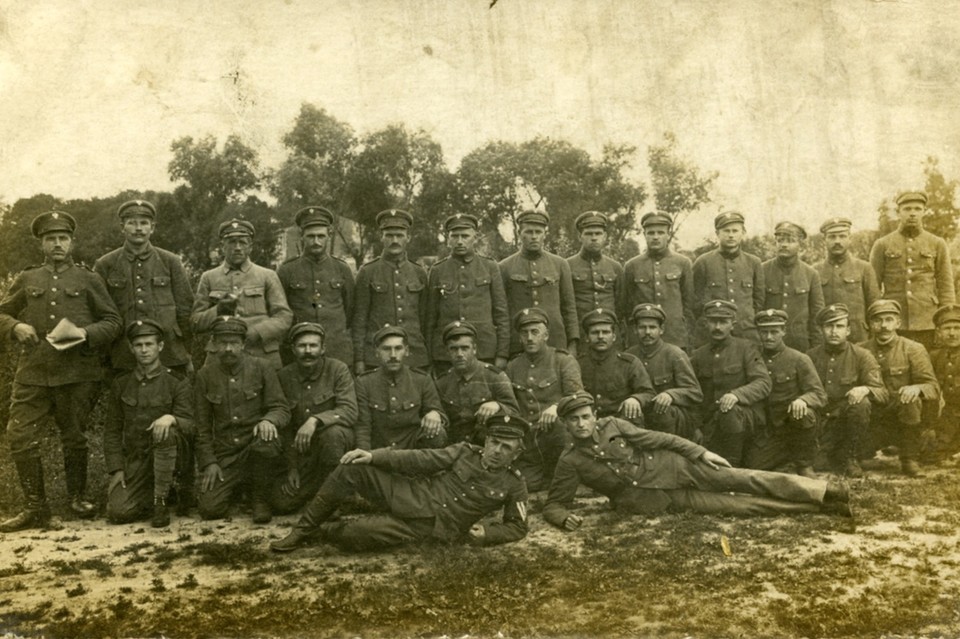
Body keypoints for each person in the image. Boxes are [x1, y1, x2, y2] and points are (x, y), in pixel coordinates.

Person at [542, 392, 852, 531]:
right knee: (740, 507)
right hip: (658, 499)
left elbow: (662, 439)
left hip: (677, 466)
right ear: (565, 424)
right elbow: (554, 503)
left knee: (745, 478)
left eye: (585, 416)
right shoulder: (570, 461)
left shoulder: (614, 425)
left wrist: (700, 453)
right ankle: (819, 509)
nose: (581, 424)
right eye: (574, 420)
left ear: (594, 415)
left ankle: (825, 492)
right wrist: (562, 517)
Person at [0, 211, 121, 531]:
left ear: (71, 242)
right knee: (20, 435)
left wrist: (85, 333)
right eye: (50, 238)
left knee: (74, 436)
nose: (57, 244)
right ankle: (35, 507)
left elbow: (113, 321)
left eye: (63, 238)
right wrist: (15, 326)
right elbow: (2, 313)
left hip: (77, 371)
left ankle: (77, 498)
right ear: (41, 244)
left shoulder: (88, 279)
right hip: (34, 370)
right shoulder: (28, 278)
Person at [269, 412, 529, 553]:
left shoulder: (514, 484)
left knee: (353, 536)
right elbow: (420, 458)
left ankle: (323, 532)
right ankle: (303, 530)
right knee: (354, 467)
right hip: (410, 495)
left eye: (506, 447)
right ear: (487, 440)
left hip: (427, 528)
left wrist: (488, 535)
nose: (497, 450)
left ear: (516, 454)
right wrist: (373, 456)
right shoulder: (464, 452)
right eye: (494, 442)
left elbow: (518, 526)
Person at [194, 316, 291, 522]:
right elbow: (202, 427)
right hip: (226, 455)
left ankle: (259, 498)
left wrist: (269, 420)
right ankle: (239, 489)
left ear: (243, 344)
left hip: (255, 448)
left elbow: (281, 408)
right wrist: (209, 462)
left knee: (267, 440)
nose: (228, 348)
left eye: (234, 343)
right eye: (223, 343)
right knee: (209, 509)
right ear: (214, 344)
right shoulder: (205, 375)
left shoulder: (262, 367)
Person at [104, 319, 193, 527]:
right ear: (131, 348)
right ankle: (155, 494)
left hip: (173, 456)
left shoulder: (177, 382)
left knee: (165, 432)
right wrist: (117, 469)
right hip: (138, 460)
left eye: (149, 344)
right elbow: (112, 430)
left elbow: (191, 424)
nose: (144, 350)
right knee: (118, 512)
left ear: (160, 346)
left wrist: (171, 418)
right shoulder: (122, 384)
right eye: (138, 345)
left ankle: (160, 502)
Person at [93, 199, 194, 376]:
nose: (138, 228)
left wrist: (187, 351)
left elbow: (185, 309)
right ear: (122, 227)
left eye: (144, 223)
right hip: (123, 352)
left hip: (168, 350)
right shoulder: (106, 264)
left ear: (152, 227)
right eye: (132, 223)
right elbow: (99, 311)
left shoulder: (170, 261)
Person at [272, 322, 357, 514]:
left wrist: (315, 420)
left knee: (332, 434)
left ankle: (333, 499)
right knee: (281, 503)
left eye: (313, 345)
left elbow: (349, 410)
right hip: (305, 453)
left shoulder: (338, 370)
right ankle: (320, 491)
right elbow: (286, 427)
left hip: (336, 448)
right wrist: (292, 467)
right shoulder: (284, 376)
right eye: (302, 346)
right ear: (293, 349)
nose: (308, 351)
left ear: (323, 348)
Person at [192, 218, 293, 370]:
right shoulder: (209, 277)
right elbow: (196, 322)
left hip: (261, 353)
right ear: (222, 246)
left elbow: (284, 317)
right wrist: (218, 310)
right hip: (220, 356)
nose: (237, 247)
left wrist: (256, 332)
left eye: (243, 242)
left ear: (250, 247)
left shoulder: (267, 276)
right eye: (232, 242)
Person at [504, 307, 583, 490]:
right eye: (524, 333)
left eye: (535, 332)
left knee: (563, 480)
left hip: (558, 437)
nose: (529, 338)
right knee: (526, 485)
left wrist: (557, 407)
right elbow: (508, 402)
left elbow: (578, 396)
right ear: (519, 337)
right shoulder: (513, 366)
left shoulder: (563, 360)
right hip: (529, 441)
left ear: (546, 335)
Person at [858, 299, 940, 476]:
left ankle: (909, 459)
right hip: (873, 417)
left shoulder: (913, 348)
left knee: (910, 400)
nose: (884, 326)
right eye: (878, 320)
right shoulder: (860, 350)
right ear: (870, 324)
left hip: (902, 416)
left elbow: (932, 387)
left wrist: (916, 388)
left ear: (898, 323)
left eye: (889, 320)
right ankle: (859, 455)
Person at [806, 304, 887, 477]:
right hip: (820, 420)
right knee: (818, 464)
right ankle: (823, 452)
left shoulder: (862, 355)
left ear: (848, 330)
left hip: (846, 420)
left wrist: (865, 389)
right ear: (821, 330)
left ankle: (850, 456)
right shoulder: (810, 357)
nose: (834, 331)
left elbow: (882, 392)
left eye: (839, 326)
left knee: (861, 404)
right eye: (829, 326)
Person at [870, 192, 955, 351]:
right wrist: (877, 318)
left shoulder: (937, 243)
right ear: (898, 212)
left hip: (927, 320)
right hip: (893, 320)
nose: (912, 213)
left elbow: (946, 286)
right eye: (907, 209)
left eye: (917, 209)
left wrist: (947, 319)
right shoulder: (882, 244)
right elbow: (872, 286)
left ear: (924, 211)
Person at [425, 213, 510, 372]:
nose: (459, 241)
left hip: (484, 349)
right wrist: (430, 356)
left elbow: (501, 314)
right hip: (446, 353)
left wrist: (502, 354)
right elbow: (431, 318)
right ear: (448, 239)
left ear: (475, 238)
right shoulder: (437, 270)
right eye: (454, 236)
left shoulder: (490, 267)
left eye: (465, 236)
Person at [690, 300, 771, 466]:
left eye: (723, 322)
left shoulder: (747, 348)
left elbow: (763, 382)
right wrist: (695, 425)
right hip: (712, 422)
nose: (717, 327)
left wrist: (736, 395)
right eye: (713, 322)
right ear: (706, 323)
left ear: (732, 324)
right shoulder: (698, 355)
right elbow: (693, 394)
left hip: (745, 419)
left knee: (729, 411)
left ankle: (733, 466)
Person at [748, 309, 827, 476]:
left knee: (804, 414)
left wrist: (803, 400)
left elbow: (819, 394)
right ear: (759, 333)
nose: (769, 337)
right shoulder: (752, 358)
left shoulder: (799, 359)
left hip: (793, 426)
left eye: (774, 332)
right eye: (764, 332)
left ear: (783, 331)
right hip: (768, 430)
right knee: (752, 465)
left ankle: (804, 464)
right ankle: (785, 459)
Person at [353, 209, 429, 373]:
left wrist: (428, 356)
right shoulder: (367, 272)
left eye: (399, 235)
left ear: (408, 237)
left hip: (414, 355)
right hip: (377, 356)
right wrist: (359, 359)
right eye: (389, 235)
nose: (395, 240)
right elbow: (359, 319)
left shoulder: (419, 273)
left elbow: (425, 319)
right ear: (381, 237)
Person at [277, 206, 355, 366]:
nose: (316, 242)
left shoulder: (342, 269)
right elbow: (281, 312)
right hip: (300, 350)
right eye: (311, 236)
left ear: (329, 236)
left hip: (336, 349)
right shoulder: (287, 270)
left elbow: (350, 309)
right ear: (302, 236)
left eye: (321, 236)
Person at [499, 209, 579, 356]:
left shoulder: (560, 264)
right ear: (519, 233)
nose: (534, 237)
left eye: (538, 232)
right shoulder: (504, 267)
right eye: (529, 232)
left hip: (554, 340)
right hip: (520, 342)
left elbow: (569, 308)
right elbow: (501, 312)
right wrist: (503, 350)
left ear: (545, 234)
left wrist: (572, 343)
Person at [354, 326, 447, 451]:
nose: (393, 355)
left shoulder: (422, 380)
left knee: (438, 432)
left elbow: (439, 412)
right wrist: (364, 454)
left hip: (413, 450)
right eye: (386, 349)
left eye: (398, 348)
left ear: (406, 351)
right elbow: (363, 426)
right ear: (377, 352)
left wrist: (435, 413)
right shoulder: (364, 383)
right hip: (380, 450)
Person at [624, 303, 703, 440]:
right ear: (635, 330)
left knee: (663, 411)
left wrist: (670, 394)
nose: (647, 332)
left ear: (662, 330)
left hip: (671, 419)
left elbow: (695, 393)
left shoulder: (674, 354)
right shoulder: (629, 356)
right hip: (641, 414)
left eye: (652, 327)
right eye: (642, 327)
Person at [434, 320, 520, 444]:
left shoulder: (494, 377)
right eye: (454, 349)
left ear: (474, 349)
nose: (459, 354)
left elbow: (515, 413)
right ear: (447, 352)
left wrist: (498, 406)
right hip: (454, 446)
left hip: (486, 445)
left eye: (465, 348)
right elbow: (440, 415)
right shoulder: (442, 382)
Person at [620, 212, 696, 351]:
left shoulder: (683, 263)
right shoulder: (632, 265)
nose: (655, 237)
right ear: (644, 234)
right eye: (651, 233)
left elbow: (688, 304)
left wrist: (687, 334)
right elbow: (626, 306)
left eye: (660, 232)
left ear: (668, 234)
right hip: (642, 336)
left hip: (674, 335)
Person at [692, 211, 765, 345]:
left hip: (745, 332)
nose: (731, 235)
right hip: (712, 333)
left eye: (735, 231)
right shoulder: (703, 262)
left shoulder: (754, 263)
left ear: (743, 232)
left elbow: (759, 300)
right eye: (726, 231)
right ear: (717, 233)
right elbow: (695, 300)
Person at [576, 309, 655, 425]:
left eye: (606, 332)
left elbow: (648, 393)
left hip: (621, 423)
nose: (600, 337)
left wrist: (636, 399)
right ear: (587, 337)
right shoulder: (577, 364)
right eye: (595, 333)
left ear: (614, 336)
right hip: (586, 424)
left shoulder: (629, 363)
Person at [814, 217, 879, 344]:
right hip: (826, 338)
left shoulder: (864, 268)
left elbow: (874, 305)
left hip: (858, 337)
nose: (837, 241)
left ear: (850, 238)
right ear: (824, 240)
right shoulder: (815, 271)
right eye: (832, 237)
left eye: (842, 236)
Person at [761, 222, 825, 351]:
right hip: (768, 342)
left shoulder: (811, 274)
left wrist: (816, 348)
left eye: (790, 241)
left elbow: (817, 315)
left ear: (800, 245)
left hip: (800, 344)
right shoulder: (762, 270)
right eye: (780, 240)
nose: (784, 244)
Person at [566, 211, 623, 335]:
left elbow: (621, 305)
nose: (594, 238)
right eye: (588, 234)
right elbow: (566, 305)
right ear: (579, 236)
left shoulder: (615, 267)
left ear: (605, 236)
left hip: (608, 333)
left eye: (598, 233)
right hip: (581, 332)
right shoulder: (567, 266)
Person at [927, 304, 960, 463]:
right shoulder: (934, 356)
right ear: (938, 332)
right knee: (931, 454)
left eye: (957, 328)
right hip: (949, 416)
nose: (952, 333)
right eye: (947, 328)